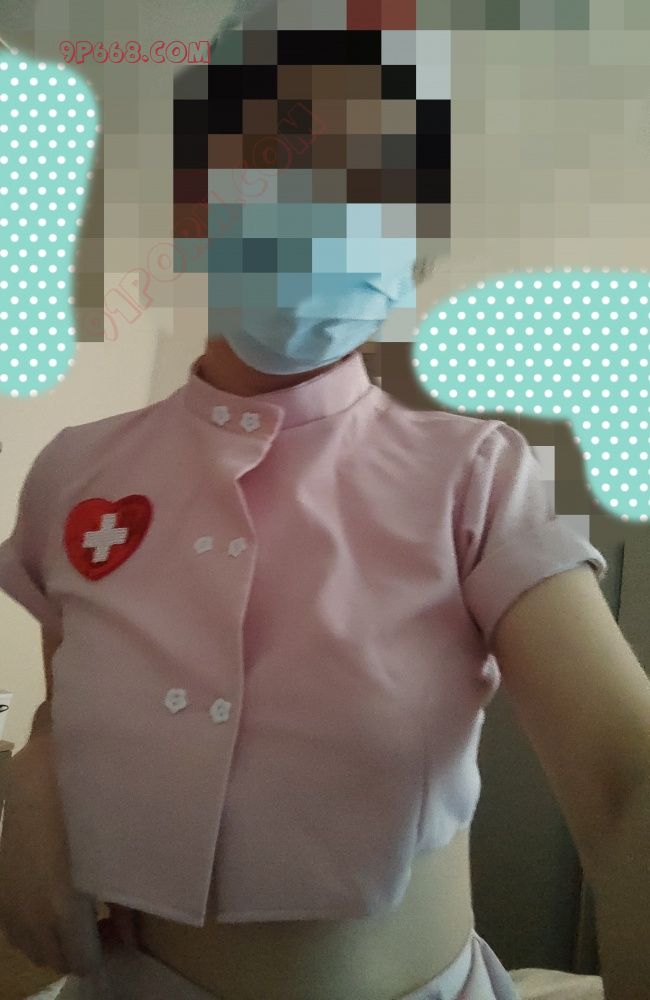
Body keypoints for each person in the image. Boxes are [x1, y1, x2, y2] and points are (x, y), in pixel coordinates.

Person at [1, 2, 650, 999]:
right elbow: (72, 695)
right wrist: (36, 775)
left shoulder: (483, 474)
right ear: (195, 196)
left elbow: (624, 785)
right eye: (281, 144)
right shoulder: (75, 471)